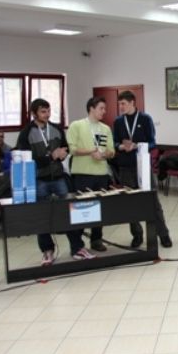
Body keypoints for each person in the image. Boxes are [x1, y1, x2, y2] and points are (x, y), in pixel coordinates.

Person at [16, 98, 94, 264]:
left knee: (69, 212)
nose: (47, 114)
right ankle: (47, 250)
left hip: (58, 177)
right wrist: (50, 157)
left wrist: (63, 154)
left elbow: (65, 148)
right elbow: (26, 159)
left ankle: (77, 248)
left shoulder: (56, 129)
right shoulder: (26, 133)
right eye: (43, 111)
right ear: (34, 113)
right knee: (42, 216)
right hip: (39, 179)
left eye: (48, 111)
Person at [112, 90, 173, 248]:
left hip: (143, 166)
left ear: (132, 102)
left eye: (123, 104)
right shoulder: (118, 121)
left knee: (152, 201)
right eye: (119, 104)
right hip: (125, 167)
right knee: (130, 203)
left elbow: (152, 143)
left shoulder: (145, 119)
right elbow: (114, 143)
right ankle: (137, 235)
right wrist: (121, 146)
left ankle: (163, 234)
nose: (121, 107)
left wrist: (136, 146)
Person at [68, 97, 116, 252]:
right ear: (91, 108)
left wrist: (104, 154)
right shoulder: (77, 125)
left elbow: (111, 151)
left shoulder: (105, 128)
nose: (104, 111)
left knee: (99, 209)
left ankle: (96, 240)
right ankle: (77, 245)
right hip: (83, 175)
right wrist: (91, 152)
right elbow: (72, 149)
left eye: (104, 108)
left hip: (101, 174)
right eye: (101, 108)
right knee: (81, 210)